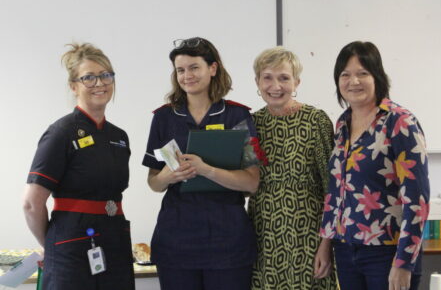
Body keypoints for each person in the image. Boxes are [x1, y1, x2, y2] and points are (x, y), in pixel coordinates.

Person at [142, 37, 263, 290]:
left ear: (213, 68)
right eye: (180, 70)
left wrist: (207, 170)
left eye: (194, 67)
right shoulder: (164, 118)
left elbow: (252, 182)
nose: (187, 75)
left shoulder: (238, 116)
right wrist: (169, 176)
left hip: (227, 241)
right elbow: (154, 182)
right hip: (176, 242)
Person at [23, 43, 135, 290]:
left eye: (106, 75)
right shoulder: (60, 133)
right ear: (74, 86)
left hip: (115, 242)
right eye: (89, 78)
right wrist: (54, 245)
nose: (100, 83)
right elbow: (31, 203)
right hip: (71, 249)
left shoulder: (119, 136)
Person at [319, 41, 430, 290]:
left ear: (377, 76)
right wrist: (326, 243)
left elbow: (417, 200)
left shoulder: (400, 122)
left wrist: (404, 263)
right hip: (346, 250)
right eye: (345, 74)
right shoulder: (343, 123)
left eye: (362, 73)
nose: (353, 81)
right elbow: (336, 191)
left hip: (387, 253)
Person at [248, 46, 338, 290]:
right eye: (267, 77)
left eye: (284, 78)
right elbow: (246, 181)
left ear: (296, 81)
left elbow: (332, 189)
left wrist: (326, 244)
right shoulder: (250, 124)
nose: (275, 86)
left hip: (308, 234)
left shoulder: (316, 120)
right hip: (262, 236)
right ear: (257, 81)